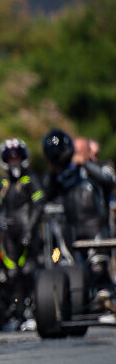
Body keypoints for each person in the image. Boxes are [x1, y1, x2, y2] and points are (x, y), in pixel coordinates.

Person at [44, 128, 116, 299]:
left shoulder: (101, 168)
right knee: (74, 275)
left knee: (99, 272)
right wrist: (53, 172)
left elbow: (109, 181)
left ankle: (106, 295)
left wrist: (85, 164)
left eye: (78, 151)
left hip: (97, 232)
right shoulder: (66, 176)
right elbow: (46, 195)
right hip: (73, 235)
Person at [0, 138, 46, 330]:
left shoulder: (30, 180)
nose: (14, 162)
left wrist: (30, 230)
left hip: (28, 234)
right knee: (10, 274)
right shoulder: (1, 183)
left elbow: (39, 205)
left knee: (28, 271)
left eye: (17, 157)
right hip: (8, 237)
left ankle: (33, 310)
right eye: (10, 158)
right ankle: (17, 312)